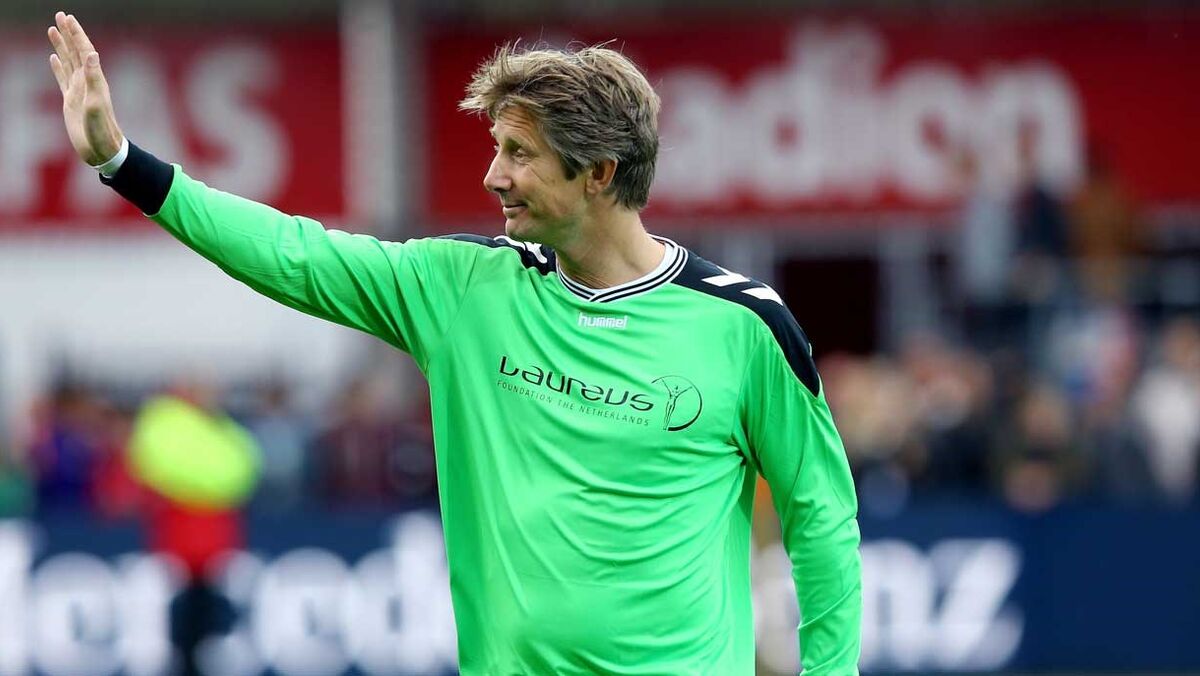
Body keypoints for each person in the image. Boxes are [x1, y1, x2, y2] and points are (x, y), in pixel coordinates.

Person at [47, 12, 861, 674]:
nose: (492, 176)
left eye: (519, 154)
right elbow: (295, 254)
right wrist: (124, 163)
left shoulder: (745, 326)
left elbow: (821, 518)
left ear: (600, 172)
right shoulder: (463, 290)